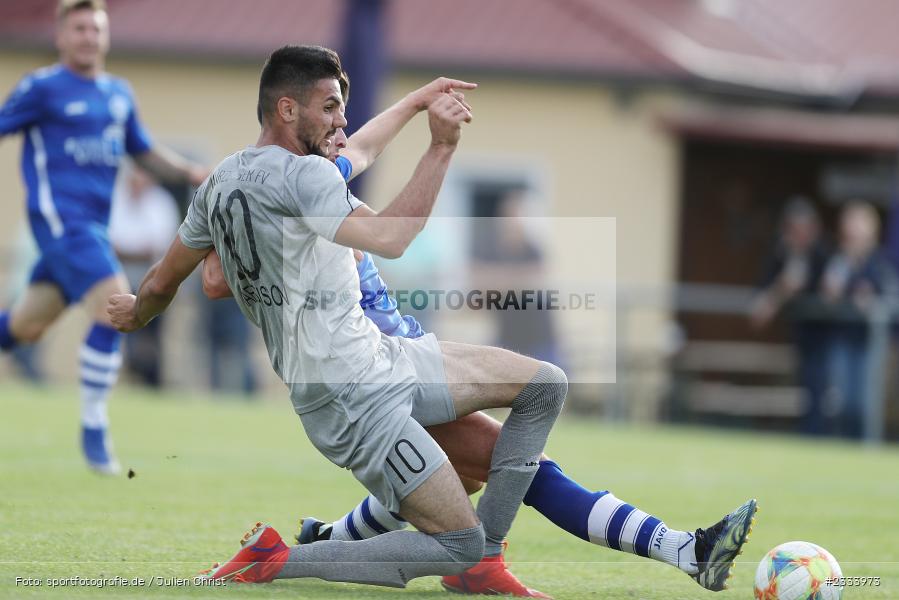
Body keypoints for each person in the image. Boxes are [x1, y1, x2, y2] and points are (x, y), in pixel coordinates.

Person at [197, 54, 758, 595]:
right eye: (331, 120)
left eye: (343, 122)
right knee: (522, 470)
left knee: (488, 469)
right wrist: (434, 141)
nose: (343, 134)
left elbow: (363, 150)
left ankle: (336, 537)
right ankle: (672, 549)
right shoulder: (302, 200)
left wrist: (416, 103)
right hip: (374, 380)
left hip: (405, 358)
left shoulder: (323, 191)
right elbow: (226, 273)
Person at [0, 0, 206, 474]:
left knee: (25, 327)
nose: (89, 37)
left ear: (106, 36)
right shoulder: (43, 87)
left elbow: (144, 149)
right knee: (119, 307)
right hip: (60, 225)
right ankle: (94, 430)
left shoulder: (118, 93)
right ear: (61, 36)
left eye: (96, 29)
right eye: (80, 29)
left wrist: (191, 170)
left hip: (91, 230)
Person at [750, 197, 831, 435]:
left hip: (827, 334)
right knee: (807, 387)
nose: (800, 235)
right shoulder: (780, 252)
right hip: (801, 335)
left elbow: (829, 290)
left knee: (822, 388)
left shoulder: (823, 252)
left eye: (804, 228)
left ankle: (820, 436)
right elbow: (761, 299)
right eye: (794, 229)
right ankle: (807, 434)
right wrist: (780, 290)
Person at [820, 201, 898, 438]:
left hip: (871, 343)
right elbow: (829, 291)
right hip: (843, 338)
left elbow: (889, 293)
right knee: (840, 400)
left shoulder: (881, 261)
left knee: (866, 403)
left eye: (860, 224)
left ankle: (865, 447)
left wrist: (871, 301)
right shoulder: (840, 260)